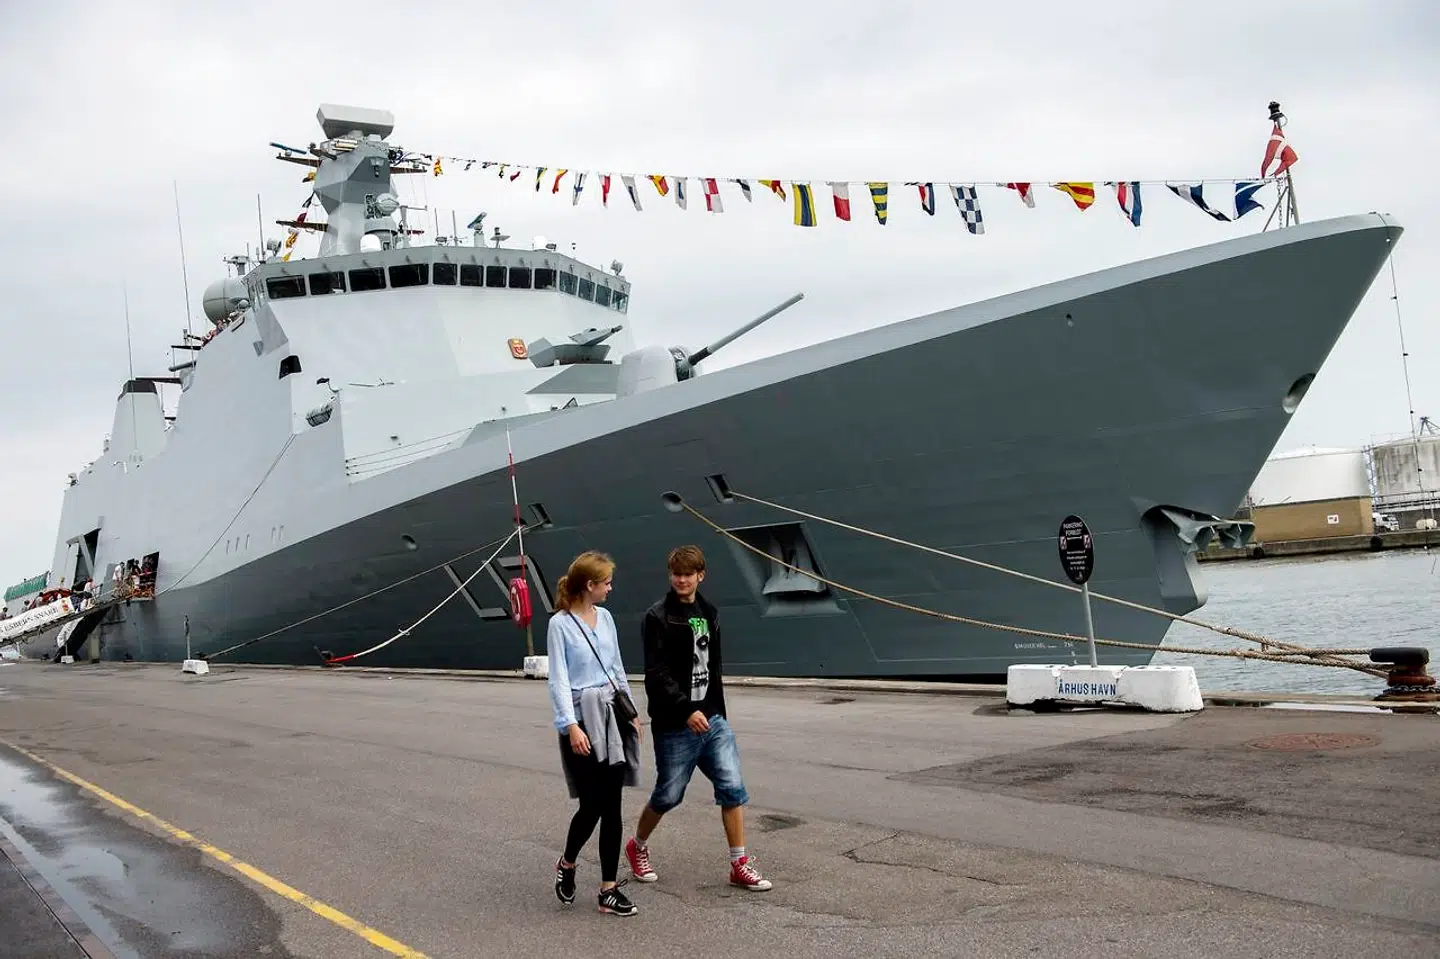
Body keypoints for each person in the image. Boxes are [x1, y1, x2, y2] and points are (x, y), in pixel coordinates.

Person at [624, 545, 772, 891]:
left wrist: (713, 711)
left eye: (688, 575)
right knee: (668, 795)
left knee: (732, 788)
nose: (681, 580)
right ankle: (638, 846)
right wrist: (685, 710)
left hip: (712, 719)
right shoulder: (657, 616)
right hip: (675, 723)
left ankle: (739, 864)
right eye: (676, 574)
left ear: (700, 576)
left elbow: (712, 668)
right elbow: (656, 673)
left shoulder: (710, 612)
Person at [547, 550, 642, 917]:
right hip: (582, 719)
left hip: (611, 715)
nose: (610, 588)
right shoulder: (560, 625)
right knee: (593, 805)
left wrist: (631, 713)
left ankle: (608, 889)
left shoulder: (605, 618)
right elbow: (559, 680)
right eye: (606, 583)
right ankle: (568, 862)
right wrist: (570, 726)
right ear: (590, 585)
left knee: (613, 805)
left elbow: (616, 667)